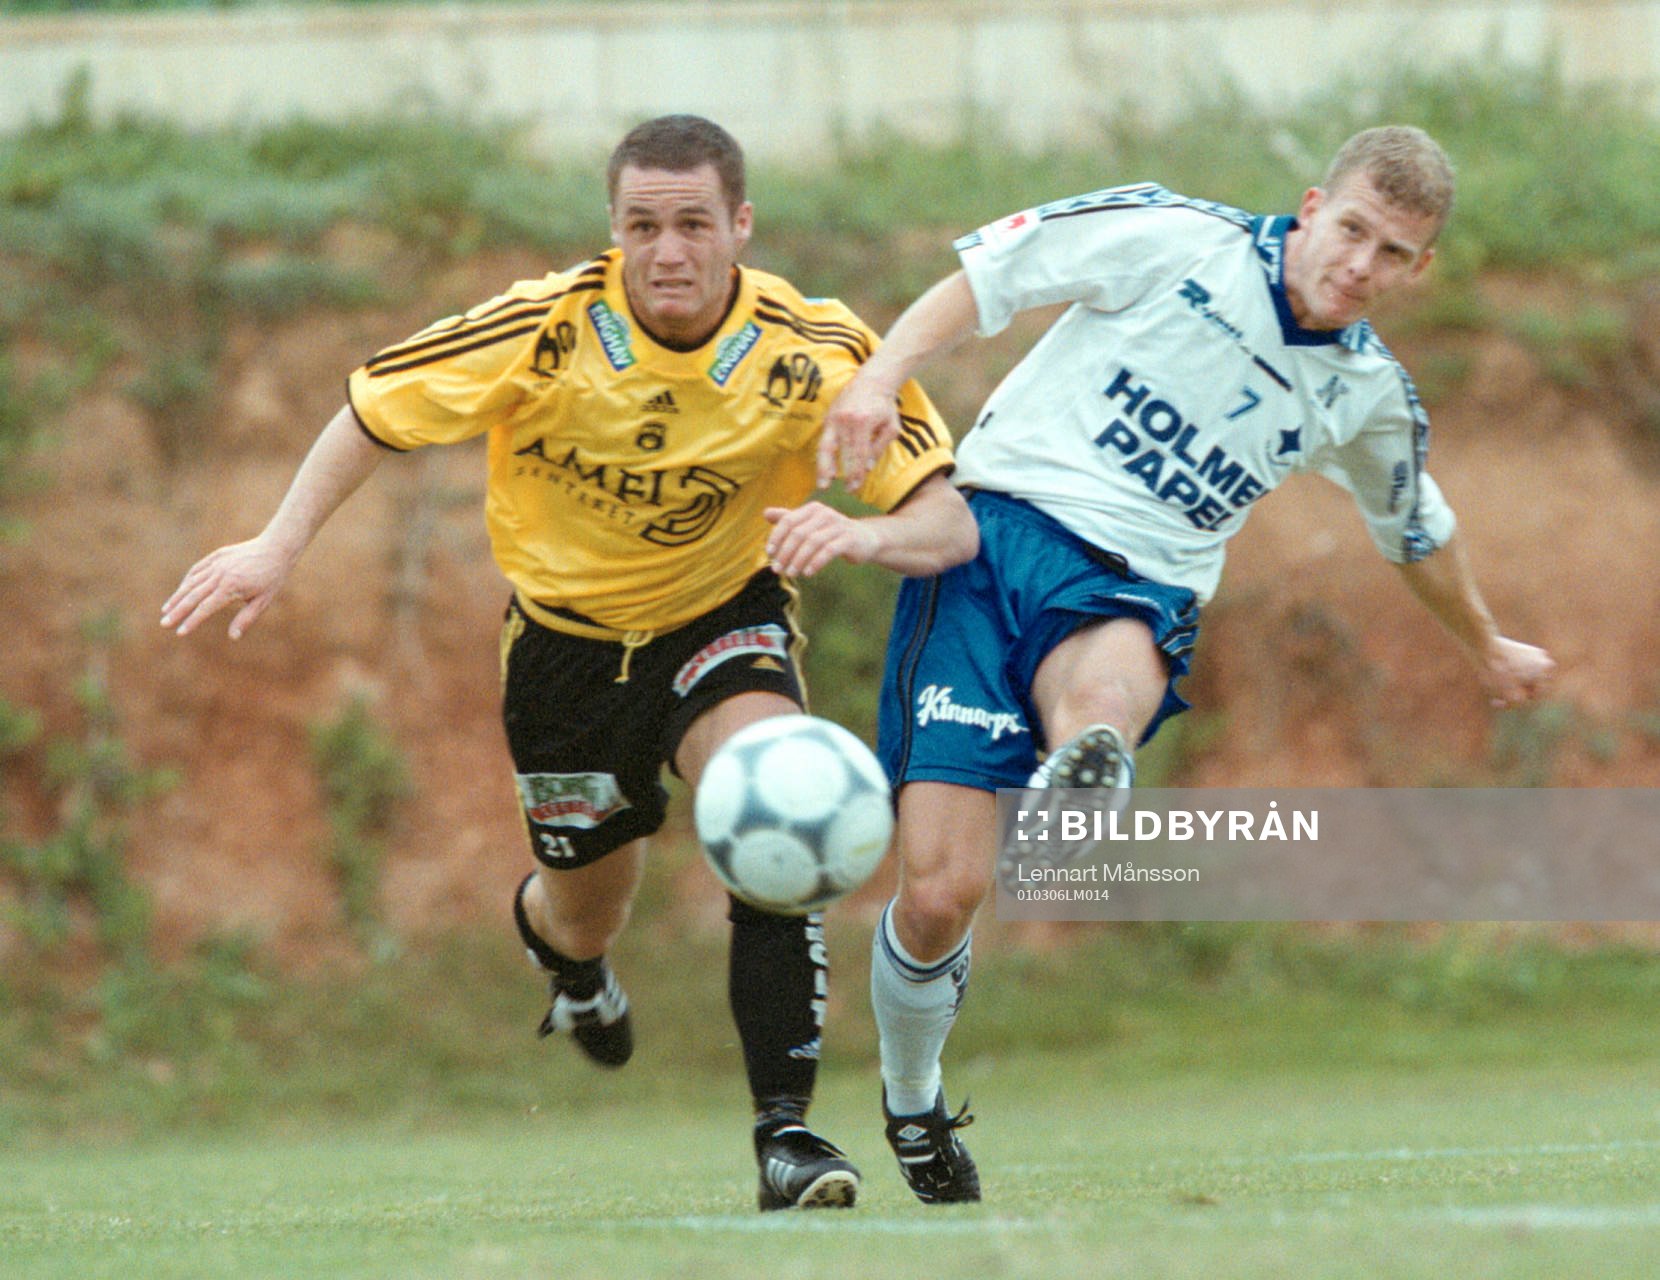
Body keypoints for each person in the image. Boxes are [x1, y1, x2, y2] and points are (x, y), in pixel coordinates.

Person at [160, 114, 977, 1212]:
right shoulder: (546, 327)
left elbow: (948, 522)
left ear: (740, 225)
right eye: (643, 225)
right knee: (584, 907)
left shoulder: (812, 349)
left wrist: (865, 533)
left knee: (777, 802)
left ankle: (785, 1133)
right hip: (565, 653)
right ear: (613, 228)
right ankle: (572, 965)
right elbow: (372, 410)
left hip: (719, 619)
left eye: (694, 224)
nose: (668, 251)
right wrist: (276, 544)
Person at [818, 125, 1557, 1204]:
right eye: (1353, 230)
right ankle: (912, 1097)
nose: (1361, 264)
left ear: (1419, 266)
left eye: (1394, 253)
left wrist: (1484, 640)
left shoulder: (1366, 393)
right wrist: (879, 378)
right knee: (939, 894)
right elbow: (992, 278)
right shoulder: (1174, 237)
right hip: (988, 544)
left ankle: (1088, 768)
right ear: (1313, 207)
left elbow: (1415, 530)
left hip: (1139, 583)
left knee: (1102, 695)